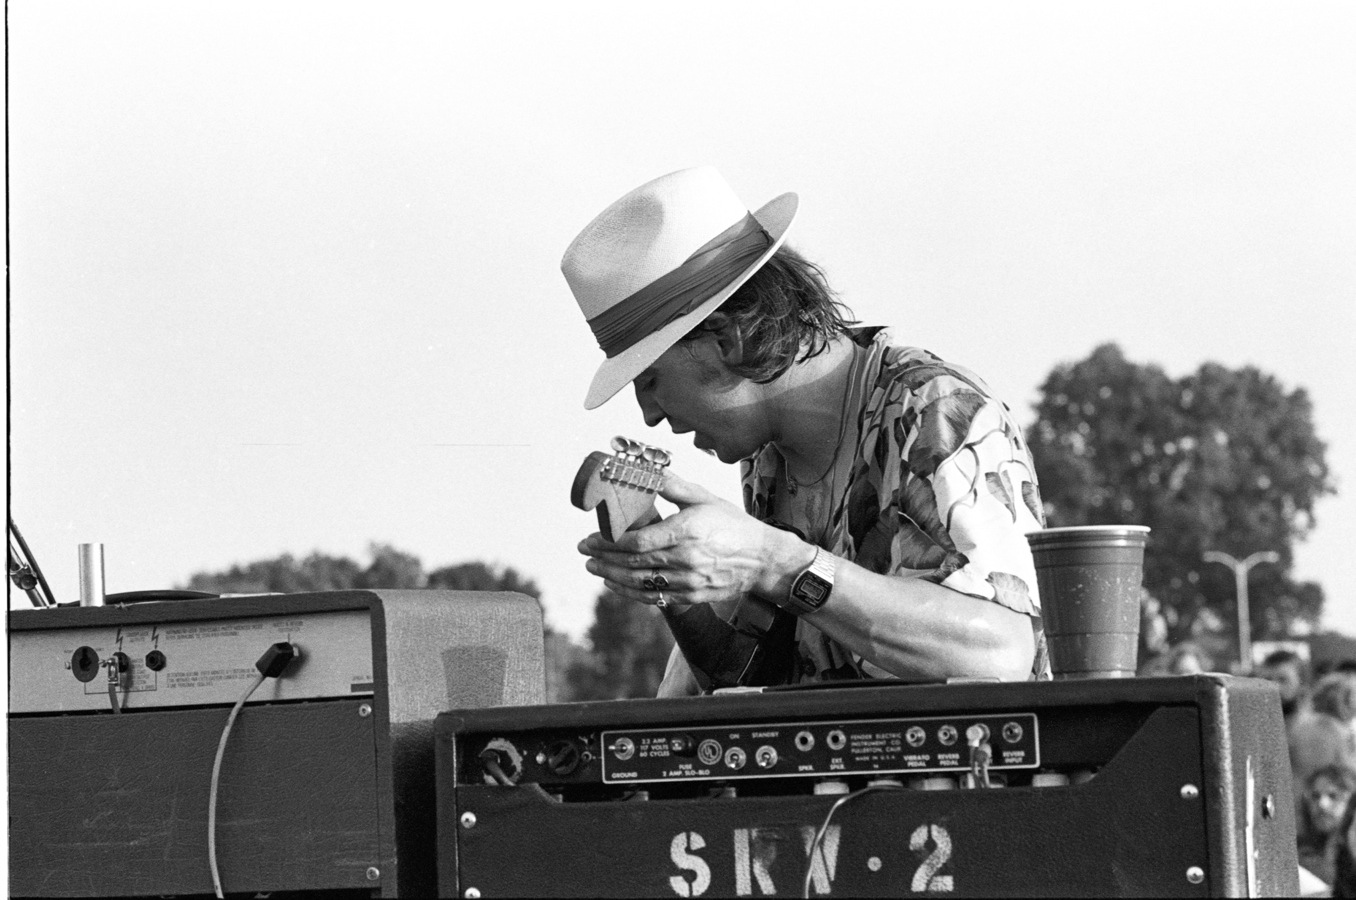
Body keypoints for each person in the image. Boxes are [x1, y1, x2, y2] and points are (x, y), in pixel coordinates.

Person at [564, 167, 1049, 696]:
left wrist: (771, 559)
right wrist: (680, 590)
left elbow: (1001, 653)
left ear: (727, 338)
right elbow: (757, 670)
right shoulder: (766, 457)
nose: (649, 415)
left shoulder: (933, 411)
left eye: (650, 379)